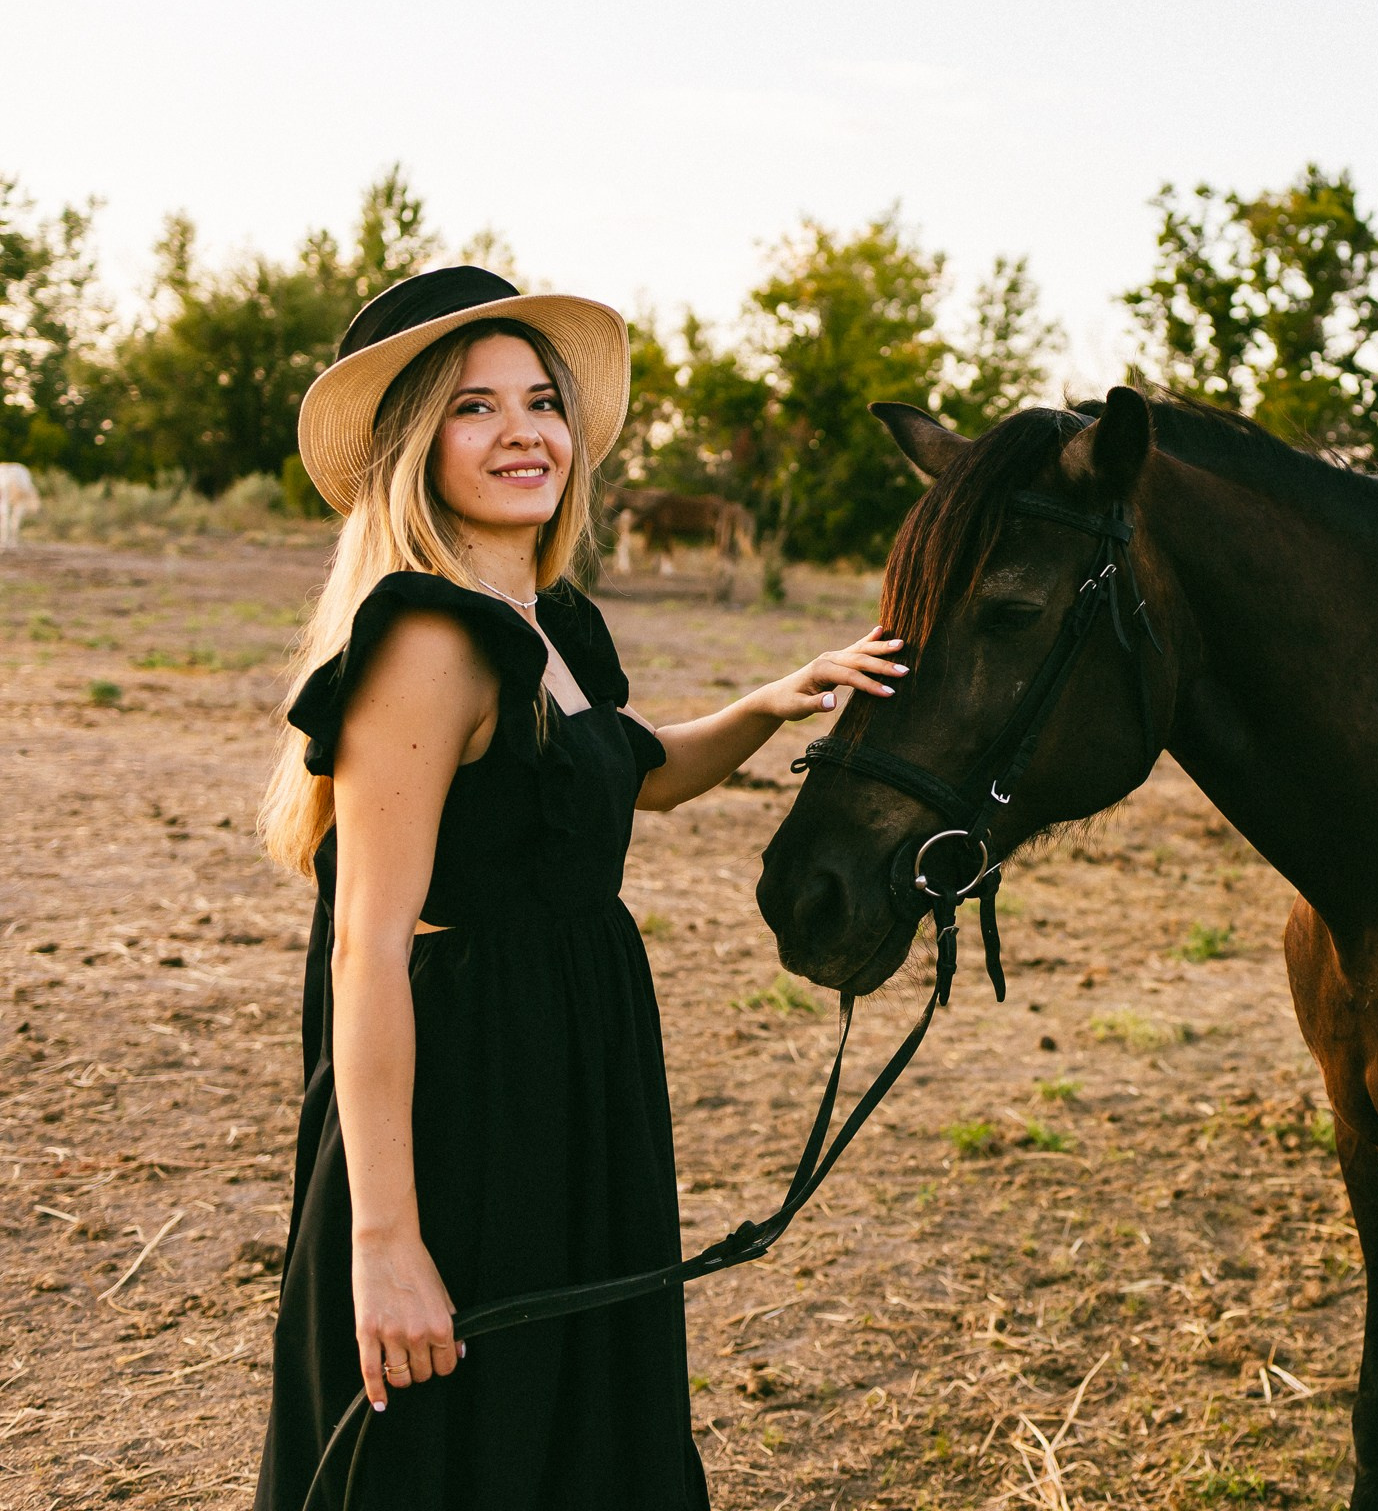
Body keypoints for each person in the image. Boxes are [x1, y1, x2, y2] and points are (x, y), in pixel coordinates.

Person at [251, 266, 906, 1507]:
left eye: (539, 401)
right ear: (411, 445)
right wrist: (385, 1242)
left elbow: (637, 773)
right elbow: (367, 946)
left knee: (572, 1426)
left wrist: (777, 699)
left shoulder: (547, 620)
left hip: (571, 1064)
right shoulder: (428, 638)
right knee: (464, 1442)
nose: (523, 432)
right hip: (468, 1091)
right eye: (473, 408)